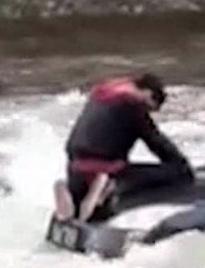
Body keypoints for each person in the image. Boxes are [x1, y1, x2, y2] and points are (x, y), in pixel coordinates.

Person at [53, 72, 194, 222]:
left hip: (75, 168)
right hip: (105, 169)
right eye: (150, 108)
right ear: (148, 93)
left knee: (84, 201)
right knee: (174, 173)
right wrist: (182, 166)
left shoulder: (101, 96)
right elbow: (155, 141)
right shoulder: (132, 105)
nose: (147, 112)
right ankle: (108, 188)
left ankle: (72, 196)